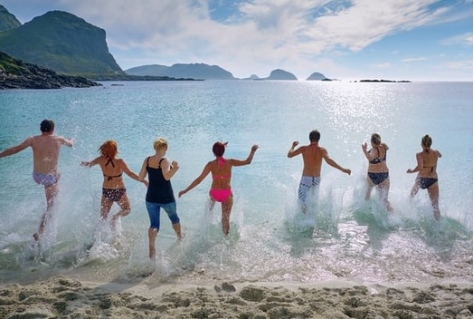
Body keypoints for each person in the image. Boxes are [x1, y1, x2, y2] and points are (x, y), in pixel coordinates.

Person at [0, 119, 74, 241]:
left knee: (57, 175)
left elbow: (15, 149)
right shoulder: (59, 139)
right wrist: (71, 139)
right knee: (51, 206)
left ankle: (54, 190)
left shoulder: (32, 139)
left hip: (37, 176)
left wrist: (0, 154)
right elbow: (71, 144)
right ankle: (40, 232)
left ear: (41, 129)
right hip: (49, 178)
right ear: (52, 129)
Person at [178, 142, 258, 236]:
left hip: (214, 193)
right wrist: (253, 151)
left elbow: (199, 180)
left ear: (213, 152)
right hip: (226, 194)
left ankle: (203, 233)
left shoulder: (210, 165)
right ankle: (226, 239)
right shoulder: (230, 162)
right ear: (224, 151)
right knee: (225, 219)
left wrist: (185, 190)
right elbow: (247, 161)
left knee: (208, 214)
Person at [81, 140, 146, 228]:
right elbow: (130, 174)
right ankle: (116, 217)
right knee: (127, 209)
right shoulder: (119, 161)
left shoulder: (100, 160)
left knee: (103, 217)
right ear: (115, 150)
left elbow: (89, 164)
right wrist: (143, 180)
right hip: (119, 190)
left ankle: (98, 237)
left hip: (107, 191)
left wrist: (82, 163)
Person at [138, 137, 182, 260]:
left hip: (151, 197)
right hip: (166, 197)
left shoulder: (147, 160)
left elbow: (140, 177)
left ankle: (152, 247)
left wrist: (146, 182)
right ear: (165, 148)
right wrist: (175, 168)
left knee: (154, 224)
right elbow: (167, 177)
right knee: (174, 218)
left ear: (155, 148)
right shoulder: (164, 161)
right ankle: (179, 237)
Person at [288, 129, 351, 212]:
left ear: (309, 138)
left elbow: (289, 155)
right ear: (319, 139)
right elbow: (329, 161)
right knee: (314, 200)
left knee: (302, 201)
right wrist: (343, 169)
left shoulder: (303, 149)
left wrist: (293, 146)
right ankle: (313, 218)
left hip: (306, 179)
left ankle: (305, 220)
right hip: (316, 179)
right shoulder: (322, 150)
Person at [407, 135, 442, 221]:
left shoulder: (419, 155)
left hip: (421, 179)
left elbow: (420, 167)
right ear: (430, 143)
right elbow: (440, 155)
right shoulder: (436, 153)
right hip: (433, 180)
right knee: (435, 206)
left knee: (410, 197)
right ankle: (439, 227)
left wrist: (411, 171)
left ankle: (408, 215)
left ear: (421, 144)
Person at [361, 133, 393, 212]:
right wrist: (381, 144)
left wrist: (364, 150)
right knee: (384, 200)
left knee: (368, 193)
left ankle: (366, 211)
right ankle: (393, 216)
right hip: (384, 176)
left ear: (372, 142)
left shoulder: (373, 150)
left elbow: (370, 158)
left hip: (373, 176)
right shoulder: (384, 146)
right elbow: (387, 148)